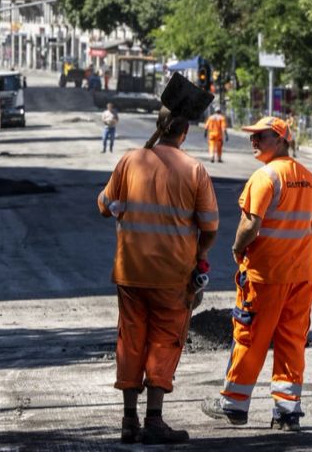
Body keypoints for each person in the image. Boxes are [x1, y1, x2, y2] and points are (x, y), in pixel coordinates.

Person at [97, 108, 219, 445]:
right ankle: (153, 420)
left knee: (131, 340)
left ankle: (128, 421)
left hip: (131, 272)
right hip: (173, 276)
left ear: (157, 126)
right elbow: (210, 227)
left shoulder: (129, 161)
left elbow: (104, 205)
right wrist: (201, 255)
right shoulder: (194, 170)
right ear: (185, 131)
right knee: (164, 341)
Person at [202, 116, 312, 432]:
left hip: (265, 275)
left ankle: (233, 404)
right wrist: (297, 248)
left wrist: (237, 247)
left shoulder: (266, 177)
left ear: (280, 139)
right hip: (301, 277)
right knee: (291, 340)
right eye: (253, 136)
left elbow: (250, 223)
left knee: (250, 337)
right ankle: (287, 412)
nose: (253, 141)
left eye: (260, 136)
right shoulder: (309, 178)